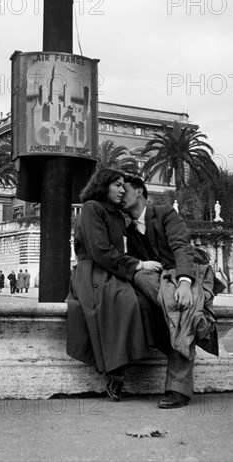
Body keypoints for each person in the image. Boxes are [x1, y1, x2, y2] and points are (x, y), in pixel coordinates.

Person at [121, 176, 217, 409]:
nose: (120, 195)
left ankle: (178, 388)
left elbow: (181, 247)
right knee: (141, 276)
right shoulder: (127, 228)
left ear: (140, 192)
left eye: (124, 190)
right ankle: (179, 386)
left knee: (178, 310)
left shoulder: (165, 213)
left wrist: (184, 283)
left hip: (182, 277)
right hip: (154, 282)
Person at [66, 168, 154, 402]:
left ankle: (121, 364)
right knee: (124, 300)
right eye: (117, 184)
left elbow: (121, 249)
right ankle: (115, 371)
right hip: (93, 271)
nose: (122, 189)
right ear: (103, 186)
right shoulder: (92, 208)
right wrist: (139, 265)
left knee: (144, 302)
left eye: (123, 185)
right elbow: (100, 251)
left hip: (112, 270)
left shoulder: (117, 215)